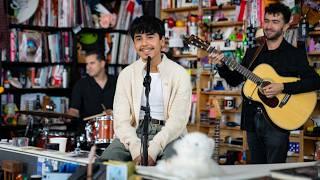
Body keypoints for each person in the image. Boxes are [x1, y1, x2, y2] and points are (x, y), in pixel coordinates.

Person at [209, 2, 320, 164]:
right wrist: (220, 64)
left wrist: (282, 87)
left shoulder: (294, 54)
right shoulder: (253, 53)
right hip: (252, 120)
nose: (269, 26)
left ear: (286, 26)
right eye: (266, 21)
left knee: (274, 171)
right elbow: (235, 80)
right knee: (255, 170)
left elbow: (315, 82)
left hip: (278, 122)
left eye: (275, 22)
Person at [100, 15, 192, 166]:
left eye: (150, 37)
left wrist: (153, 151)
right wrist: (137, 151)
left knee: (172, 168)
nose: (144, 44)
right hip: (133, 133)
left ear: (162, 41)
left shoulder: (179, 74)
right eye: (138, 38)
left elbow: (178, 121)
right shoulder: (126, 74)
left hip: (169, 134)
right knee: (104, 166)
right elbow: (121, 121)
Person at [68, 50, 116, 129]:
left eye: (92, 63)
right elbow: (74, 110)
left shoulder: (117, 82)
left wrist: (114, 113)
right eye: (87, 64)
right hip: (88, 132)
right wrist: (67, 116)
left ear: (102, 63)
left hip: (114, 130)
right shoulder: (81, 84)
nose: (88, 67)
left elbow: (129, 109)